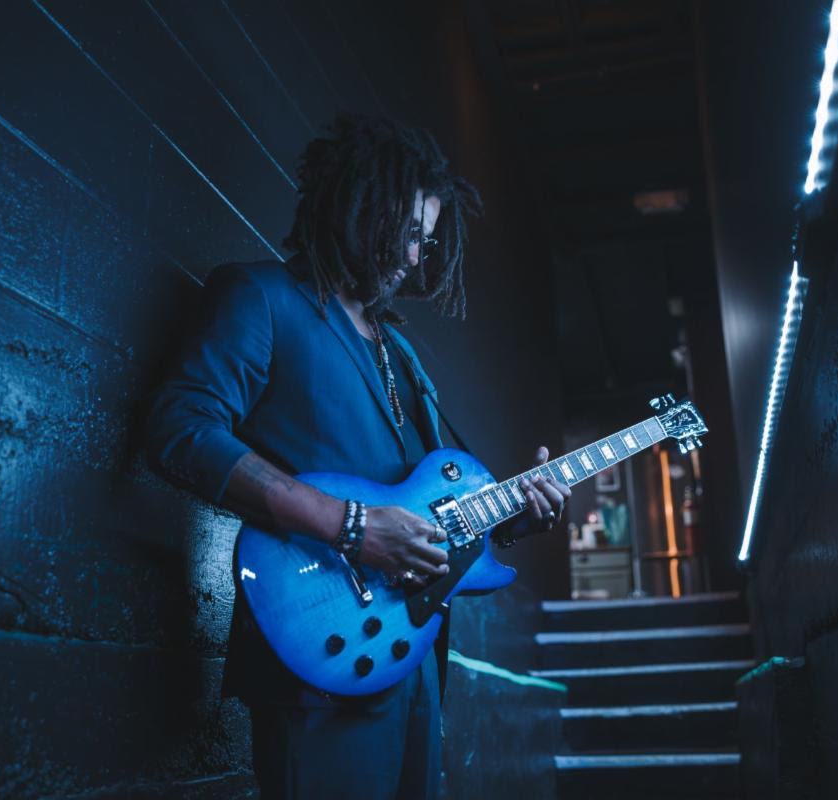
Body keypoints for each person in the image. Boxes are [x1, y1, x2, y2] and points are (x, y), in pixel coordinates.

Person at [145, 114, 569, 798]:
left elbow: (433, 507)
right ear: (357, 206)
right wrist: (352, 526)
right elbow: (180, 429)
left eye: (426, 240)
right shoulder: (261, 298)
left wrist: (514, 517)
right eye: (408, 234)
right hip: (318, 651)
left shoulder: (400, 353)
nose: (416, 258)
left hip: (410, 656)